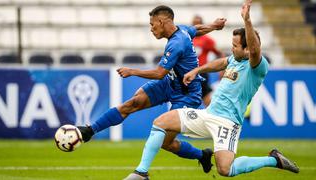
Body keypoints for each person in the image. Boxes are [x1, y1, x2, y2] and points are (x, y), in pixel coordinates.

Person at [124, 1, 299, 179]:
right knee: (160, 123)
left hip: (227, 123)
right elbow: (221, 62)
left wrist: (247, 20)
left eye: (236, 46)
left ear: (247, 49)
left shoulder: (257, 66)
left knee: (225, 170)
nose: (232, 49)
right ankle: (141, 173)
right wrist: (197, 70)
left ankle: (273, 160)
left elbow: (255, 50)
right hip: (208, 115)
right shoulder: (234, 59)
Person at [78, 5, 226, 173]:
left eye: (152, 24)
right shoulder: (182, 31)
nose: (151, 29)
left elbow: (159, 73)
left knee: (166, 142)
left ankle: (201, 155)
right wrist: (213, 26)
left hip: (186, 94)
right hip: (170, 84)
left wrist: (132, 71)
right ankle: (91, 130)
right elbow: (196, 30)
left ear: (162, 22)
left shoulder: (176, 44)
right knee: (134, 102)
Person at [192, 15, 224, 106]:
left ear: (202, 25)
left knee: (205, 96)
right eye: (194, 24)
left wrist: (222, 69)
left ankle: (213, 116)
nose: (196, 26)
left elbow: (219, 53)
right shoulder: (187, 38)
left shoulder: (207, 40)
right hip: (188, 71)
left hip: (201, 72)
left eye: (198, 23)